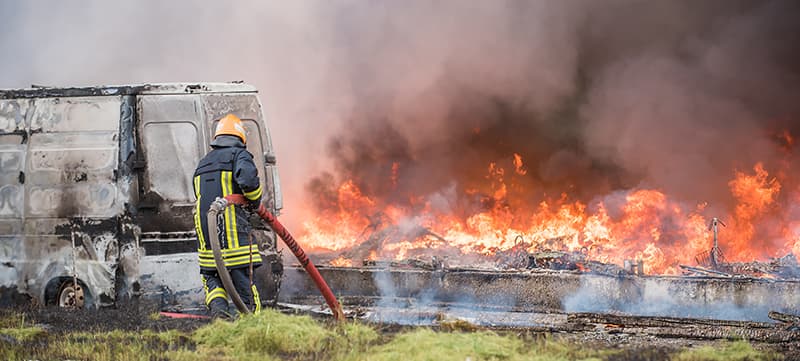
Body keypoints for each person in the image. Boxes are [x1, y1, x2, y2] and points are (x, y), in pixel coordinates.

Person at [193, 114, 264, 317]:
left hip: (206, 237)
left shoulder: (203, 163)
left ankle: (220, 319)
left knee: (213, 277)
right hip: (231, 234)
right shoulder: (238, 155)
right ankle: (254, 325)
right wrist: (255, 203)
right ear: (241, 138)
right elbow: (249, 182)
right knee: (242, 280)